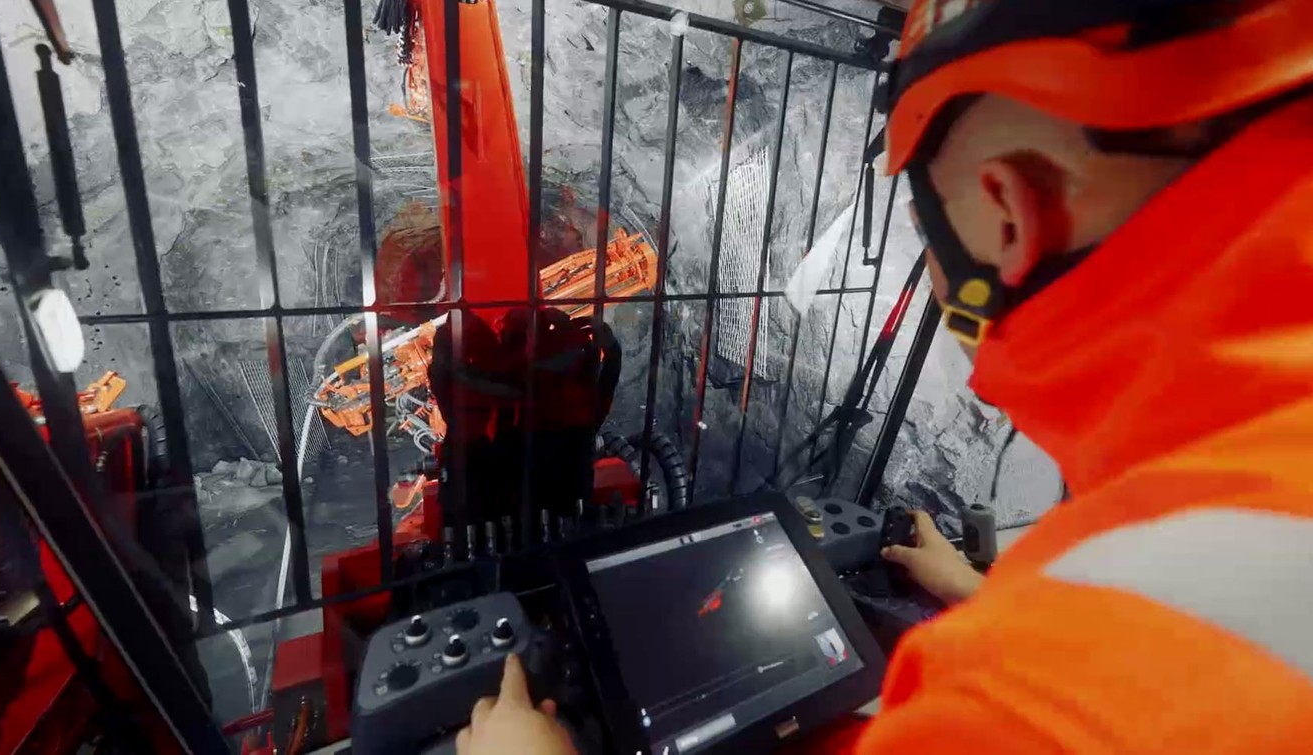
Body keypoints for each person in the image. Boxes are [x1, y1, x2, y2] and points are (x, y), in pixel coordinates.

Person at [456, 1, 1313, 751]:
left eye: (925, 229)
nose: (936, 274)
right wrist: (983, 592)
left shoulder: (1035, 705)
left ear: (1008, 213)